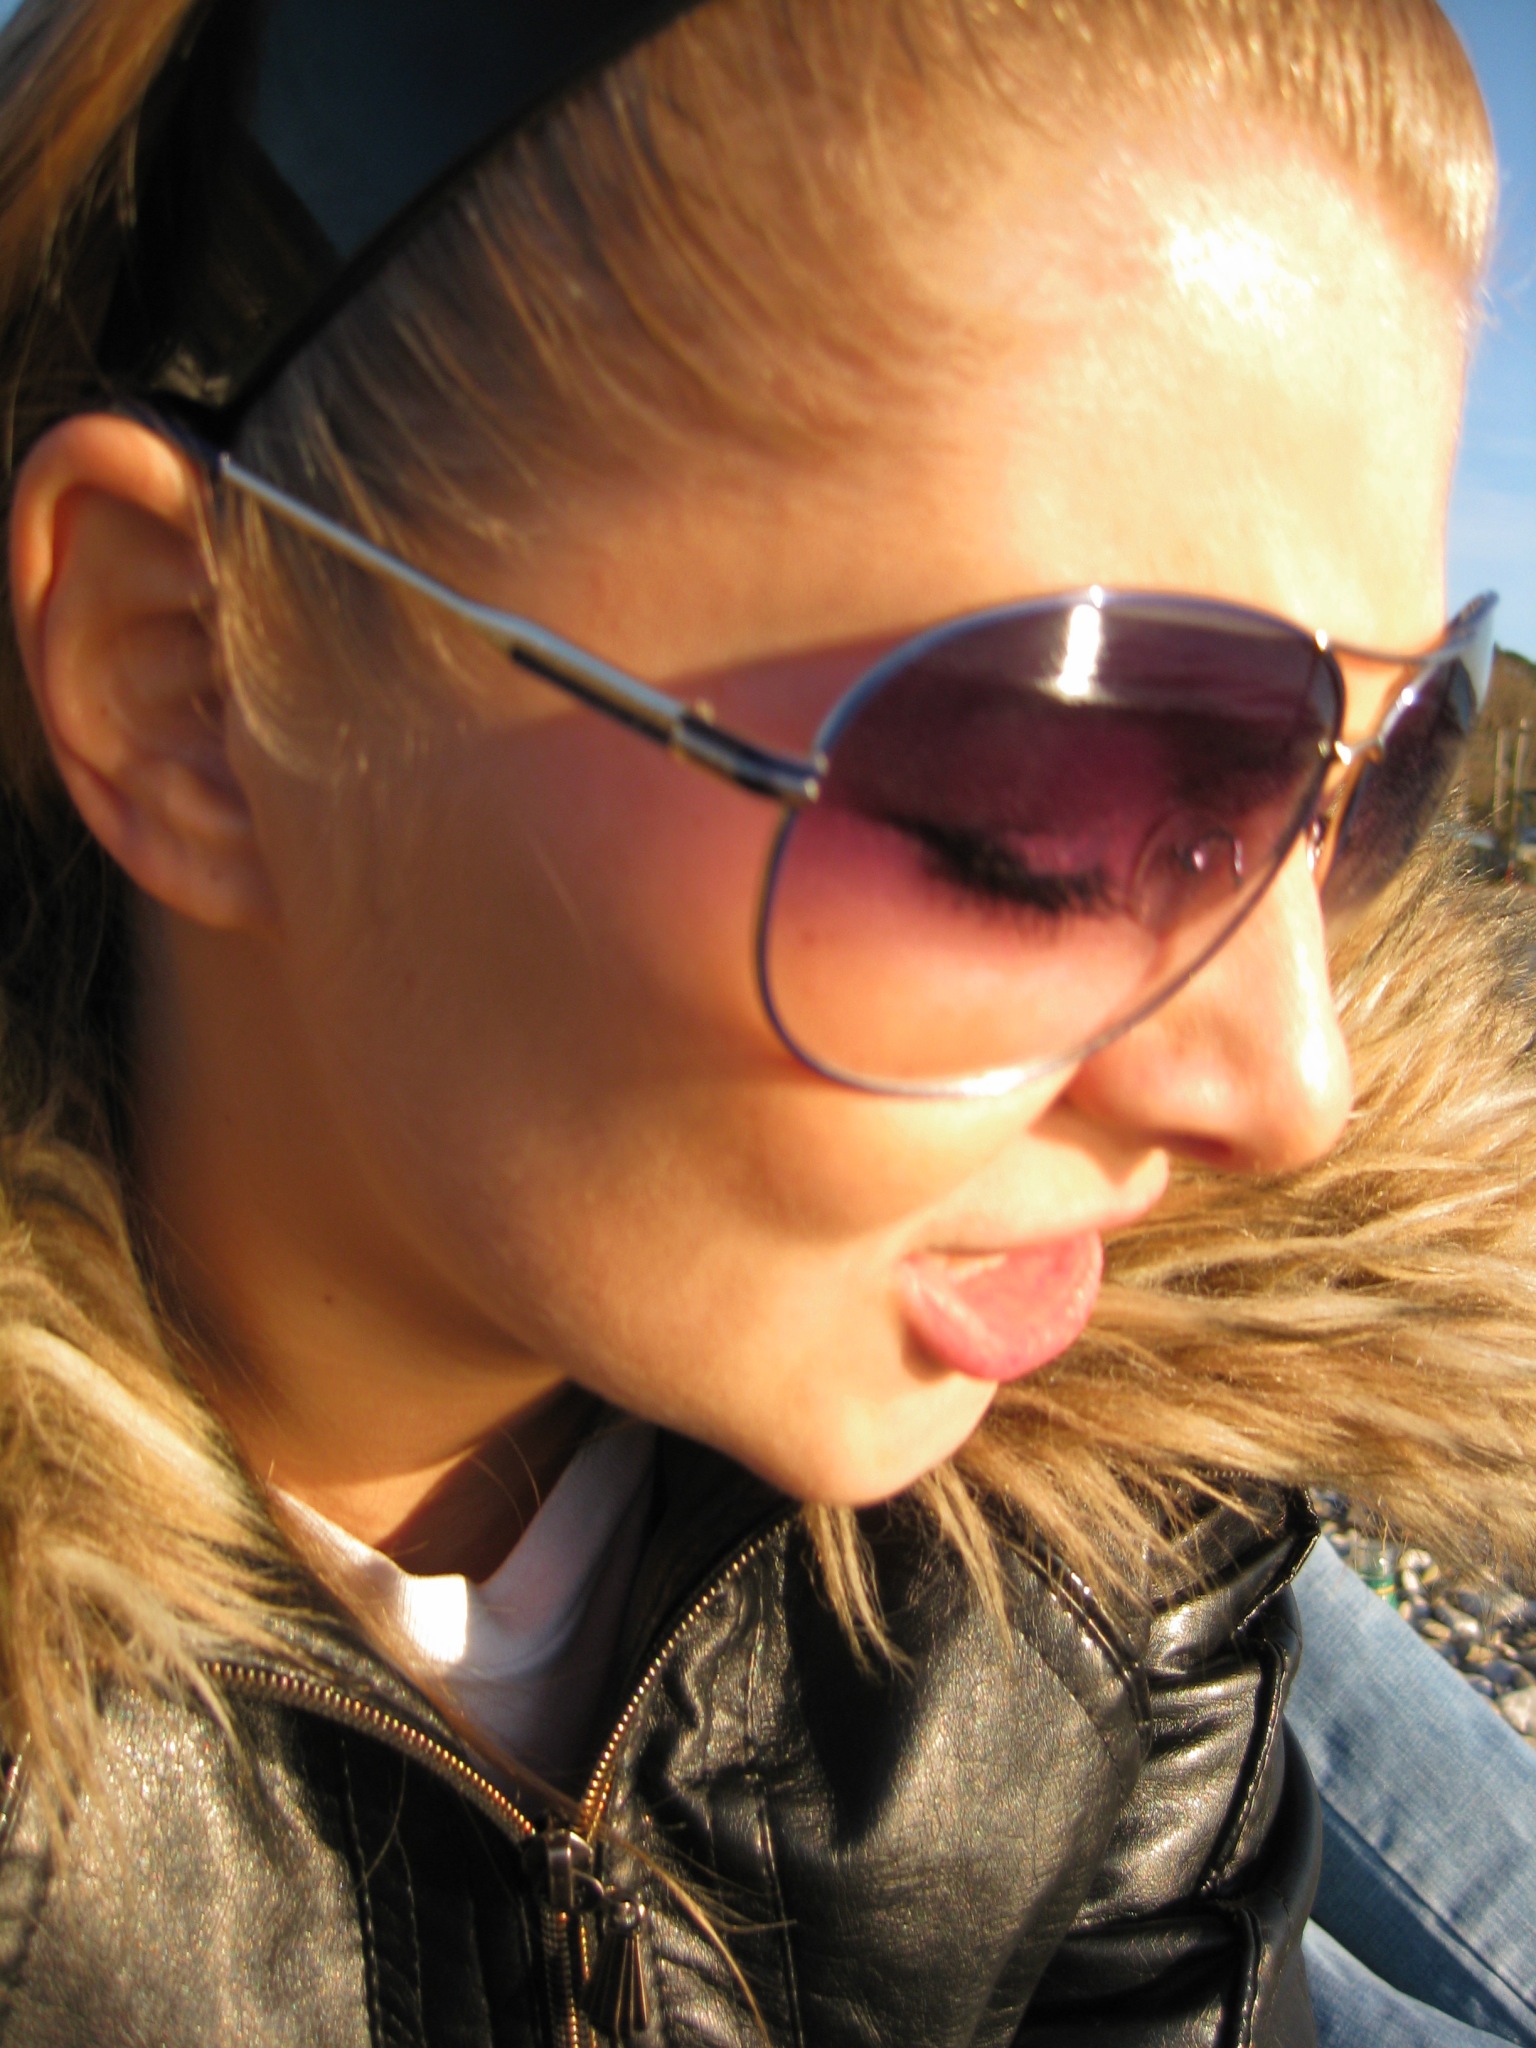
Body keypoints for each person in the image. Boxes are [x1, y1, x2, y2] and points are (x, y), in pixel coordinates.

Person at [0, 1, 1532, 2042]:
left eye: (1378, 775)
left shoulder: (1098, 1505)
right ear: (191, 688)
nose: (1290, 1094)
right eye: (1032, 820)